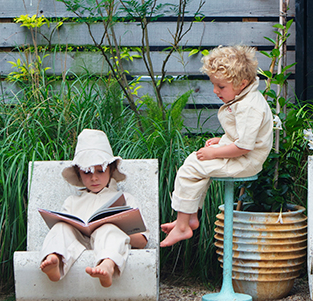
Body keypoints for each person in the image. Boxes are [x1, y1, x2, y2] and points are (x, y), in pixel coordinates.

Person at [160, 44, 274, 246]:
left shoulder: (250, 106)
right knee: (195, 163)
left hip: (245, 160)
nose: (215, 91)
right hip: (240, 154)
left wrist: (215, 153)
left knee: (193, 167)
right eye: (214, 85)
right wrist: (222, 140)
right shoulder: (244, 98)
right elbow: (242, 135)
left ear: (242, 83)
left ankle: (183, 225)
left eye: (221, 87)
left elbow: (245, 147)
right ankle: (189, 217)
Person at [39, 128, 147, 287]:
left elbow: (142, 241)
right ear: (78, 174)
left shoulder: (125, 199)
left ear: (111, 169)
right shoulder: (72, 201)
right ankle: (55, 261)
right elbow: (64, 234)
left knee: (109, 229)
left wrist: (115, 228)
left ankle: (107, 265)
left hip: (109, 241)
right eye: (87, 172)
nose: (94, 177)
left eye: (100, 170)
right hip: (78, 243)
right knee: (60, 227)